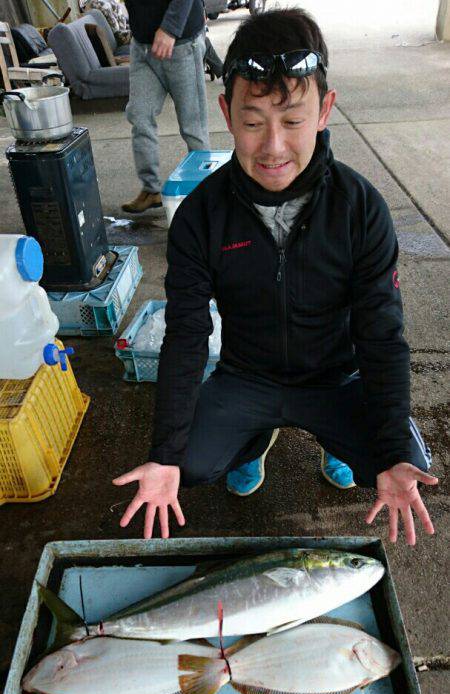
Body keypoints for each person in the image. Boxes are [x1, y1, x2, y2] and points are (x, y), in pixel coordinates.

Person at [114, 7, 438, 545]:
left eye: (291, 121)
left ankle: (336, 440)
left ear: (325, 110)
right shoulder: (199, 216)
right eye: (252, 121)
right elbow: (189, 334)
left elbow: (382, 337)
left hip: (337, 377)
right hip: (247, 377)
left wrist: (394, 451)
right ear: (226, 110)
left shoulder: (362, 209)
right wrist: (164, 454)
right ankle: (251, 438)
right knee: (185, 465)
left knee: (399, 465)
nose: (272, 147)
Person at [122, 0, 210, 214]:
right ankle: (151, 190)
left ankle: (207, 196)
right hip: (142, 46)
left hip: (180, 45)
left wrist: (170, 28)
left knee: (192, 126)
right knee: (139, 116)